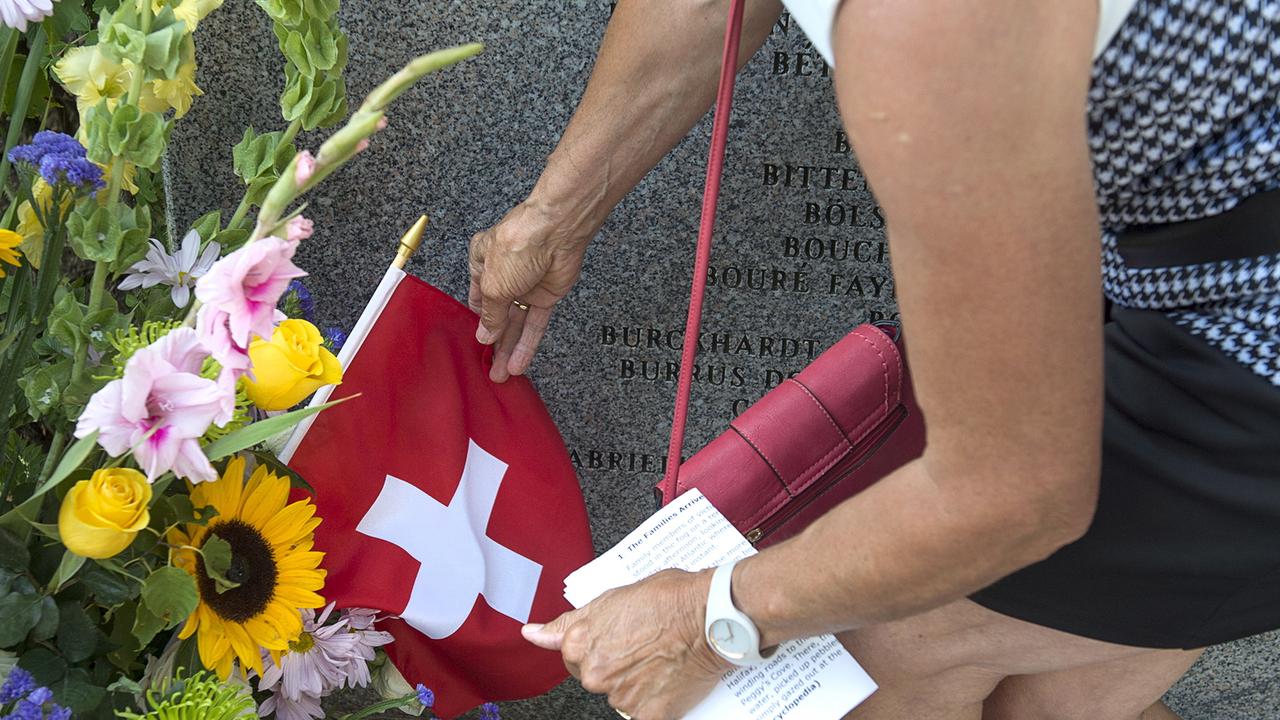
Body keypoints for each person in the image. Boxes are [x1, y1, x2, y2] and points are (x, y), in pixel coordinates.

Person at [466, 1, 1280, 718]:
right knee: (1061, 700)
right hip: (1179, 254)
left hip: (1247, 346)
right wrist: (554, 217)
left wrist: (710, 623)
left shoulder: (932, 25)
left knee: (856, 666)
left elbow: (1013, 492)